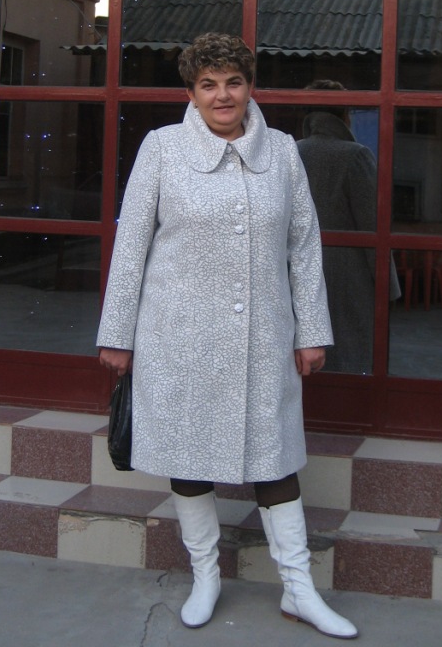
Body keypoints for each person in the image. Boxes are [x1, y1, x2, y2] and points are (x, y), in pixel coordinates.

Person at [97, 33, 357, 639]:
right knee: (188, 455)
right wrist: (118, 334)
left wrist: (313, 331)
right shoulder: (162, 149)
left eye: (233, 82)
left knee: (276, 459)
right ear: (190, 93)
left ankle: (299, 589)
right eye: (208, 84)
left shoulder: (284, 152)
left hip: (265, 336)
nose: (222, 95)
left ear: (250, 87)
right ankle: (206, 576)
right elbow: (131, 246)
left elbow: (304, 247)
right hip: (177, 337)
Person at [297, 80, 400, 373]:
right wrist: (388, 288)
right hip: (349, 278)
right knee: (352, 362)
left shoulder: (290, 151)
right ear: (345, 114)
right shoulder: (355, 155)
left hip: (298, 273)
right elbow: (372, 225)